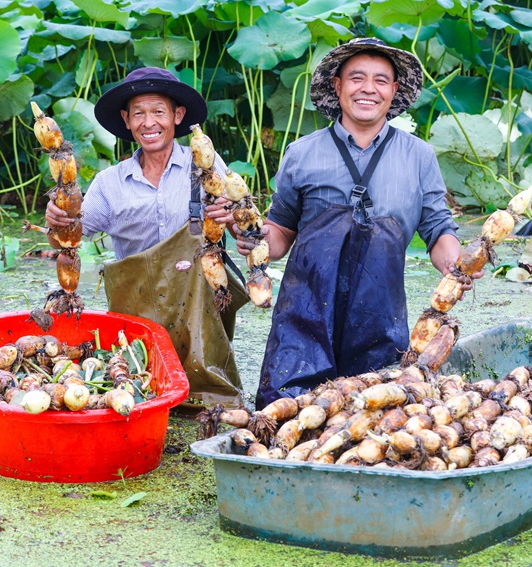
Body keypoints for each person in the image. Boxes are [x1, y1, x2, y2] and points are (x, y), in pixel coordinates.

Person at [235, 38, 477, 409]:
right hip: (304, 321)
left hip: (378, 322)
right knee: (282, 416)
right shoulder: (302, 153)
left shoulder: (419, 157)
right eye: (357, 78)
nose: (368, 89)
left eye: (381, 80)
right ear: (338, 85)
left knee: (375, 421)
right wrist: (253, 236)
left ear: (394, 91)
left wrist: (456, 266)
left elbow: (438, 230)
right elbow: (281, 231)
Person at [45, 67, 247, 410]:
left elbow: (241, 230)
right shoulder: (109, 182)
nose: (148, 122)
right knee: (138, 394)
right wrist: (56, 222)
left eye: (158, 112)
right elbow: (70, 239)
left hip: (197, 308)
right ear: (126, 120)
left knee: (209, 399)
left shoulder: (205, 167)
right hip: (136, 308)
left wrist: (232, 217)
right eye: (138, 113)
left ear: (177, 115)